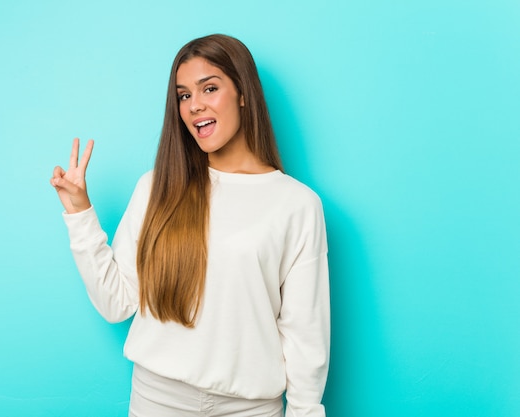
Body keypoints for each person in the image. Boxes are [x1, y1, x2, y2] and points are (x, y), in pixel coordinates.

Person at [50, 34, 330, 417]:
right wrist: (80, 212)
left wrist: (305, 411)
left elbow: (305, 332)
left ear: (244, 93)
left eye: (209, 88)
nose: (195, 105)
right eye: (183, 95)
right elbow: (117, 302)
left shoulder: (296, 204)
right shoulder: (156, 187)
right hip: (157, 399)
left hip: (250, 408)